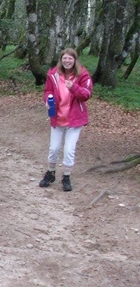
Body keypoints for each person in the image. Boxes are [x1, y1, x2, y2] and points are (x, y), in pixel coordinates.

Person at [38, 48, 92, 192]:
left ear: (75, 60)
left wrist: (74, 87)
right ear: (61, 60)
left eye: (70, 59)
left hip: (74, 119)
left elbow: (86, 94)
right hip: (57, 116)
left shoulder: (83, 75)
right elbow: (48, 91)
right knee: (54, 148)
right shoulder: (53, 74)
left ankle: (66, 177)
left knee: (69, 150)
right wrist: (47, 100)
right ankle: (50, 173)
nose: (67, 61)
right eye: (65, 58)